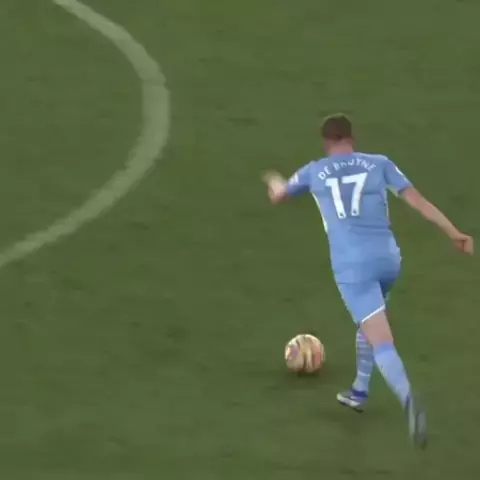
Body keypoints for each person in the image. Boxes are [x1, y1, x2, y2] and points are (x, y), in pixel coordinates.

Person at [262, 113, 474, 449]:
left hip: (353, 267)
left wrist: (274, 180)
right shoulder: (379, 163)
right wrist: (455, 233)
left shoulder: (315, 170)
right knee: (371, 317)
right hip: (388, 260)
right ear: (352, 138)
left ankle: (408, 398)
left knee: (381, 340)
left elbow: (280, 196)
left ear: (326, 142)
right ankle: (359, 391)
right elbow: (418, 202)